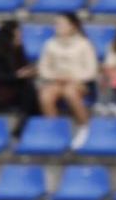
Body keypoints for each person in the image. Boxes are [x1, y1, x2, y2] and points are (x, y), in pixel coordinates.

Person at [35, 12, 99, 143]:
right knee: (45, 95)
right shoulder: (50, 44)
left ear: (72, 26)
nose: (58, 26)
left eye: (62, 24)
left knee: (70, 92)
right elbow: (43, 68)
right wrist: (55, 76)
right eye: (56, 24)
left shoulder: (84, 44)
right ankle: (55, 131)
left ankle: (84, 128)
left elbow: (91, 70)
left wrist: (73, 77)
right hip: (57, 81)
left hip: (78, 82)